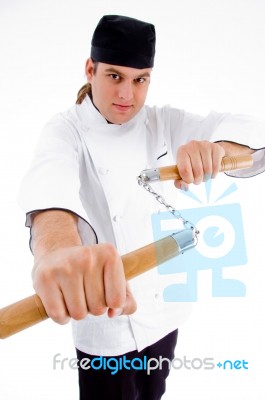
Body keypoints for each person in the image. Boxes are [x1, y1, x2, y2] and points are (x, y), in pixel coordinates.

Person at [18, 15, 265, 400]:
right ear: (90, 69)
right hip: (106, 323)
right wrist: (57, 249)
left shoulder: (162, 122)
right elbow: (50, 187)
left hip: (165, 312)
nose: (127, 95)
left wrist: (217, 150)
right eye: (115, 76)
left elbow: (249, 131)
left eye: (140, 79)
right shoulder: (64, 130)